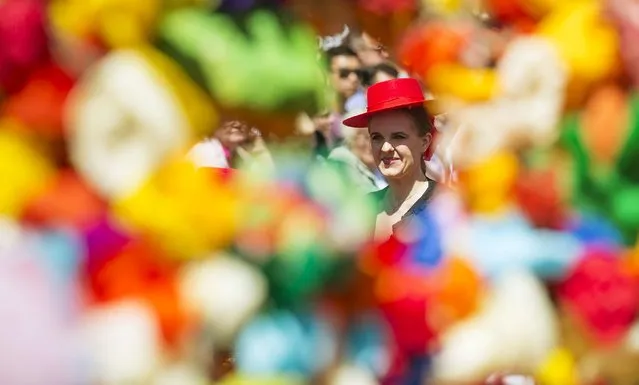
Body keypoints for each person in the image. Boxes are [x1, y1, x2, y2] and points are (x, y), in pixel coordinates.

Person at [343, 78, 436, 241]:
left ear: (424, 142)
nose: (385, 148)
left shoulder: (443, 207)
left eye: (398, 137)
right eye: (377, 137)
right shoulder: (365, 207)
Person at [328, 112, 387, 193]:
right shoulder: (341, 158)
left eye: (377, 138)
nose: (371, 144)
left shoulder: (381, 167)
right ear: (351, 139)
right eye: (366, 137)